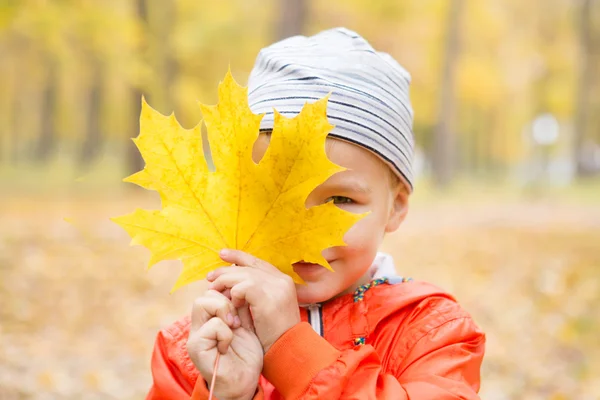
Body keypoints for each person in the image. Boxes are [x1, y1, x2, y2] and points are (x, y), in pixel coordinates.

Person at [146, 27, 485, 400]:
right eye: (274, 200)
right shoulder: (192, 352)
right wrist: (226, 393)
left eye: (340, 201)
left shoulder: (431, 334)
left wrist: (290, 348)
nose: (304, 235)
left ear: (397, 206)